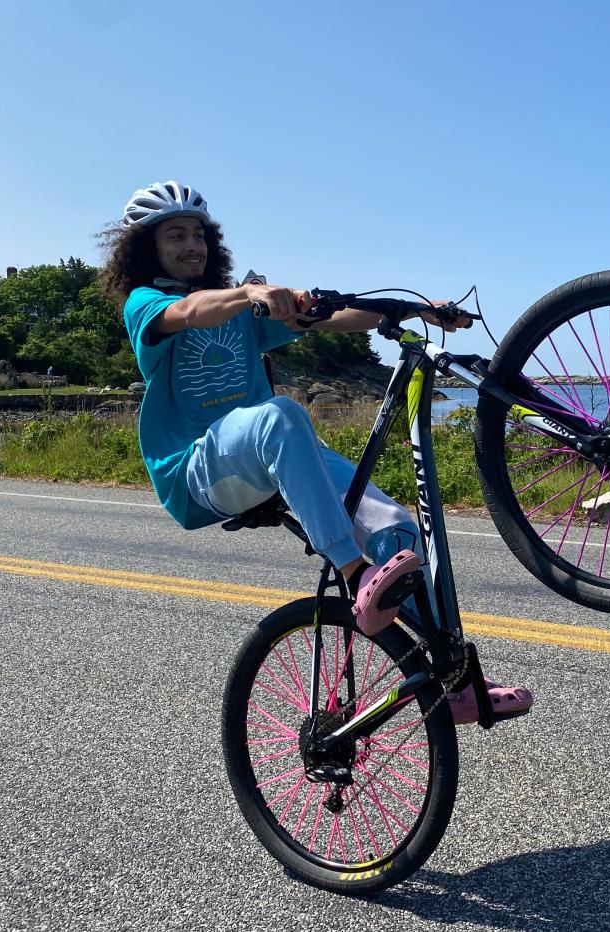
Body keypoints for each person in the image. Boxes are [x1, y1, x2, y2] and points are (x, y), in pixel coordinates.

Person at [102, 180, 531, 722]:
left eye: (199, 235)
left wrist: (417, 309)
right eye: (176, 235)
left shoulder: (242, 315)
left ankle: (456, 683)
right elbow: (190, 312)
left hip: (264, 454)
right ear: (148, 248)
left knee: (396, 528)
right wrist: (250, 294)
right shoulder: (148, 305)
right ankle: (354, 573)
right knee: (282, 414)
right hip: (194, 472)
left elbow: (328, 318)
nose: (192, 245)